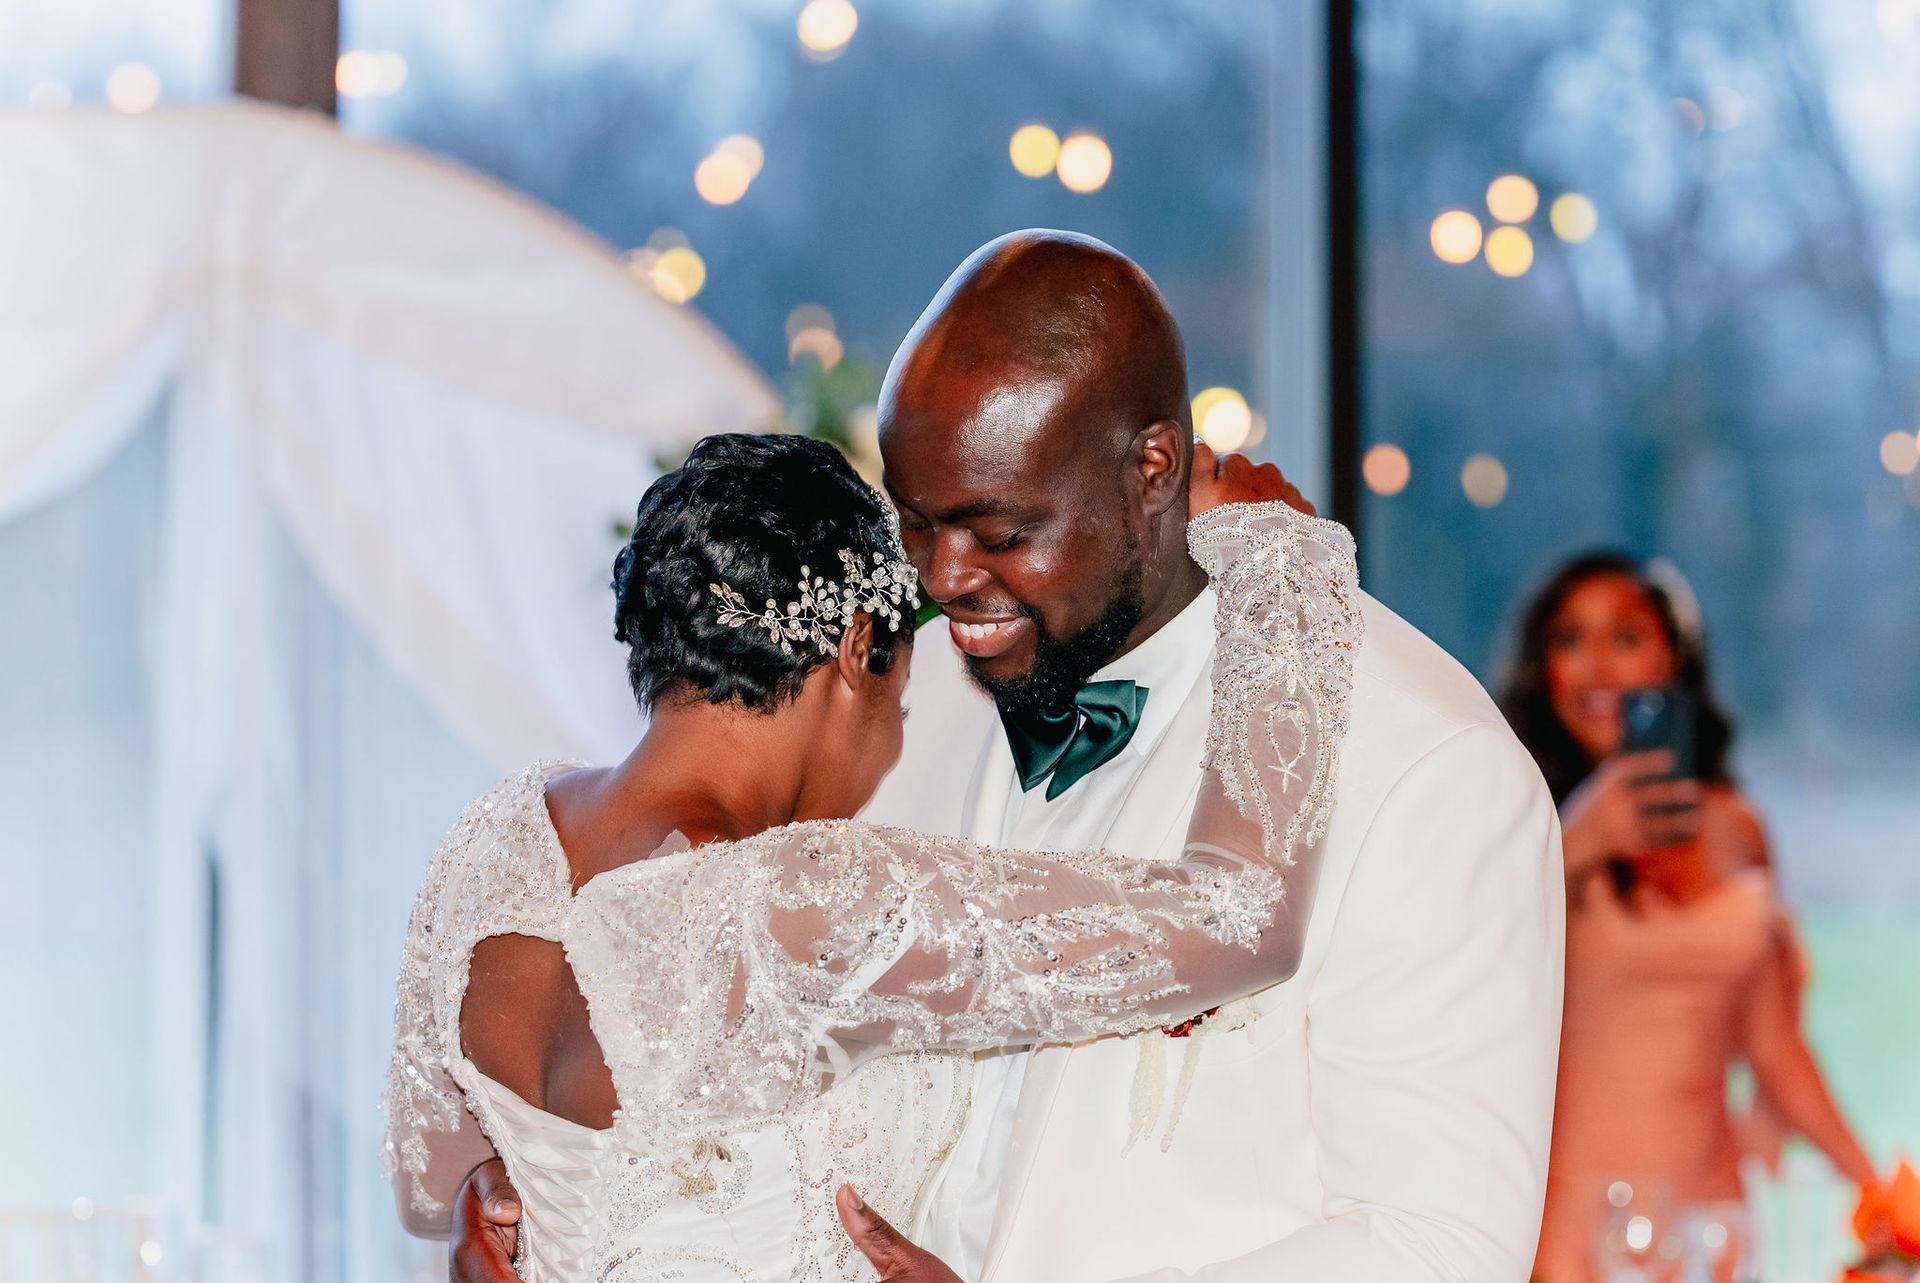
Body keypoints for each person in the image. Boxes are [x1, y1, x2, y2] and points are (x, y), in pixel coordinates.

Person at [448, 231, 1565, 1283]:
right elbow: (689, 1024)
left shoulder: (1425, 763)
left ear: (1155, 468)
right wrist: (569, 1191)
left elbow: (1437, 1247)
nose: (940, 580)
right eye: (916, 522)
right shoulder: (883, 711)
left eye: (999, 529)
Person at [384, 430, 1359, 1281]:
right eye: (899, 700)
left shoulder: (494, 841)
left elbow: (444, 1181)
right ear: (859, 649)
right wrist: (1276, 557)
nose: (896, 740)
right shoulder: (801, 900)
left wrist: (504, 1188)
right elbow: (1239, 919)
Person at [1500, 551, 1880, 1283]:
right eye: (1570, 641)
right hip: (1567, 1229)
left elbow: (1774, 1046)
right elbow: (1465, 979)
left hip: (1711, 1223)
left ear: (1673, 656)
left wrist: (1880, 1189)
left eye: (1627, 636)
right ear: (1543, 670)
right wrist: (1575, 839)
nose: (1598, 667)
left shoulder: (1739, 828)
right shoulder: (1522, 820)